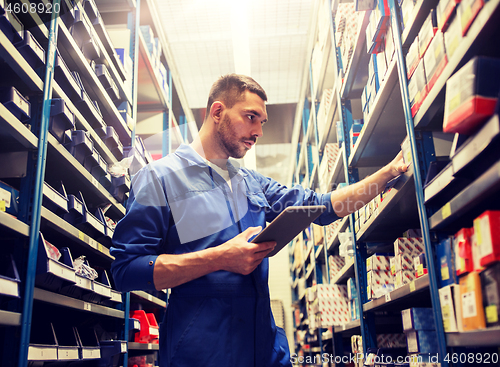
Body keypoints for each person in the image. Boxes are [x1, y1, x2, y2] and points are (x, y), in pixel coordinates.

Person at [110, 74, 407, 367]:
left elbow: (323, 207)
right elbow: (126, 271)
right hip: (201, 353)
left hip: (264, 350)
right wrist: (219, 258)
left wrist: (386, 175)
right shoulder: (159, 178)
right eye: (250, 117)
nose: (258, 131)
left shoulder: (251, 182)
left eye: (261, 122)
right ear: (217, 112)